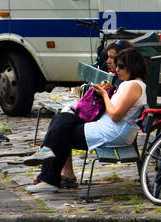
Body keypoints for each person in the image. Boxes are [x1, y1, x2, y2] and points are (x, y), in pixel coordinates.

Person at [25, 47, 148, 192]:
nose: (117, 69)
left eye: (121, 66)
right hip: (108, 127)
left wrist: (104, 95)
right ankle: (47, 171)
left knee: (62, 132)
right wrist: (109, 90)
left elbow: (115, 115)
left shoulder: (133, 85)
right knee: (62, 118)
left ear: (133, 67)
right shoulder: (131, 84)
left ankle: (48, 174)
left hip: (113, 131)